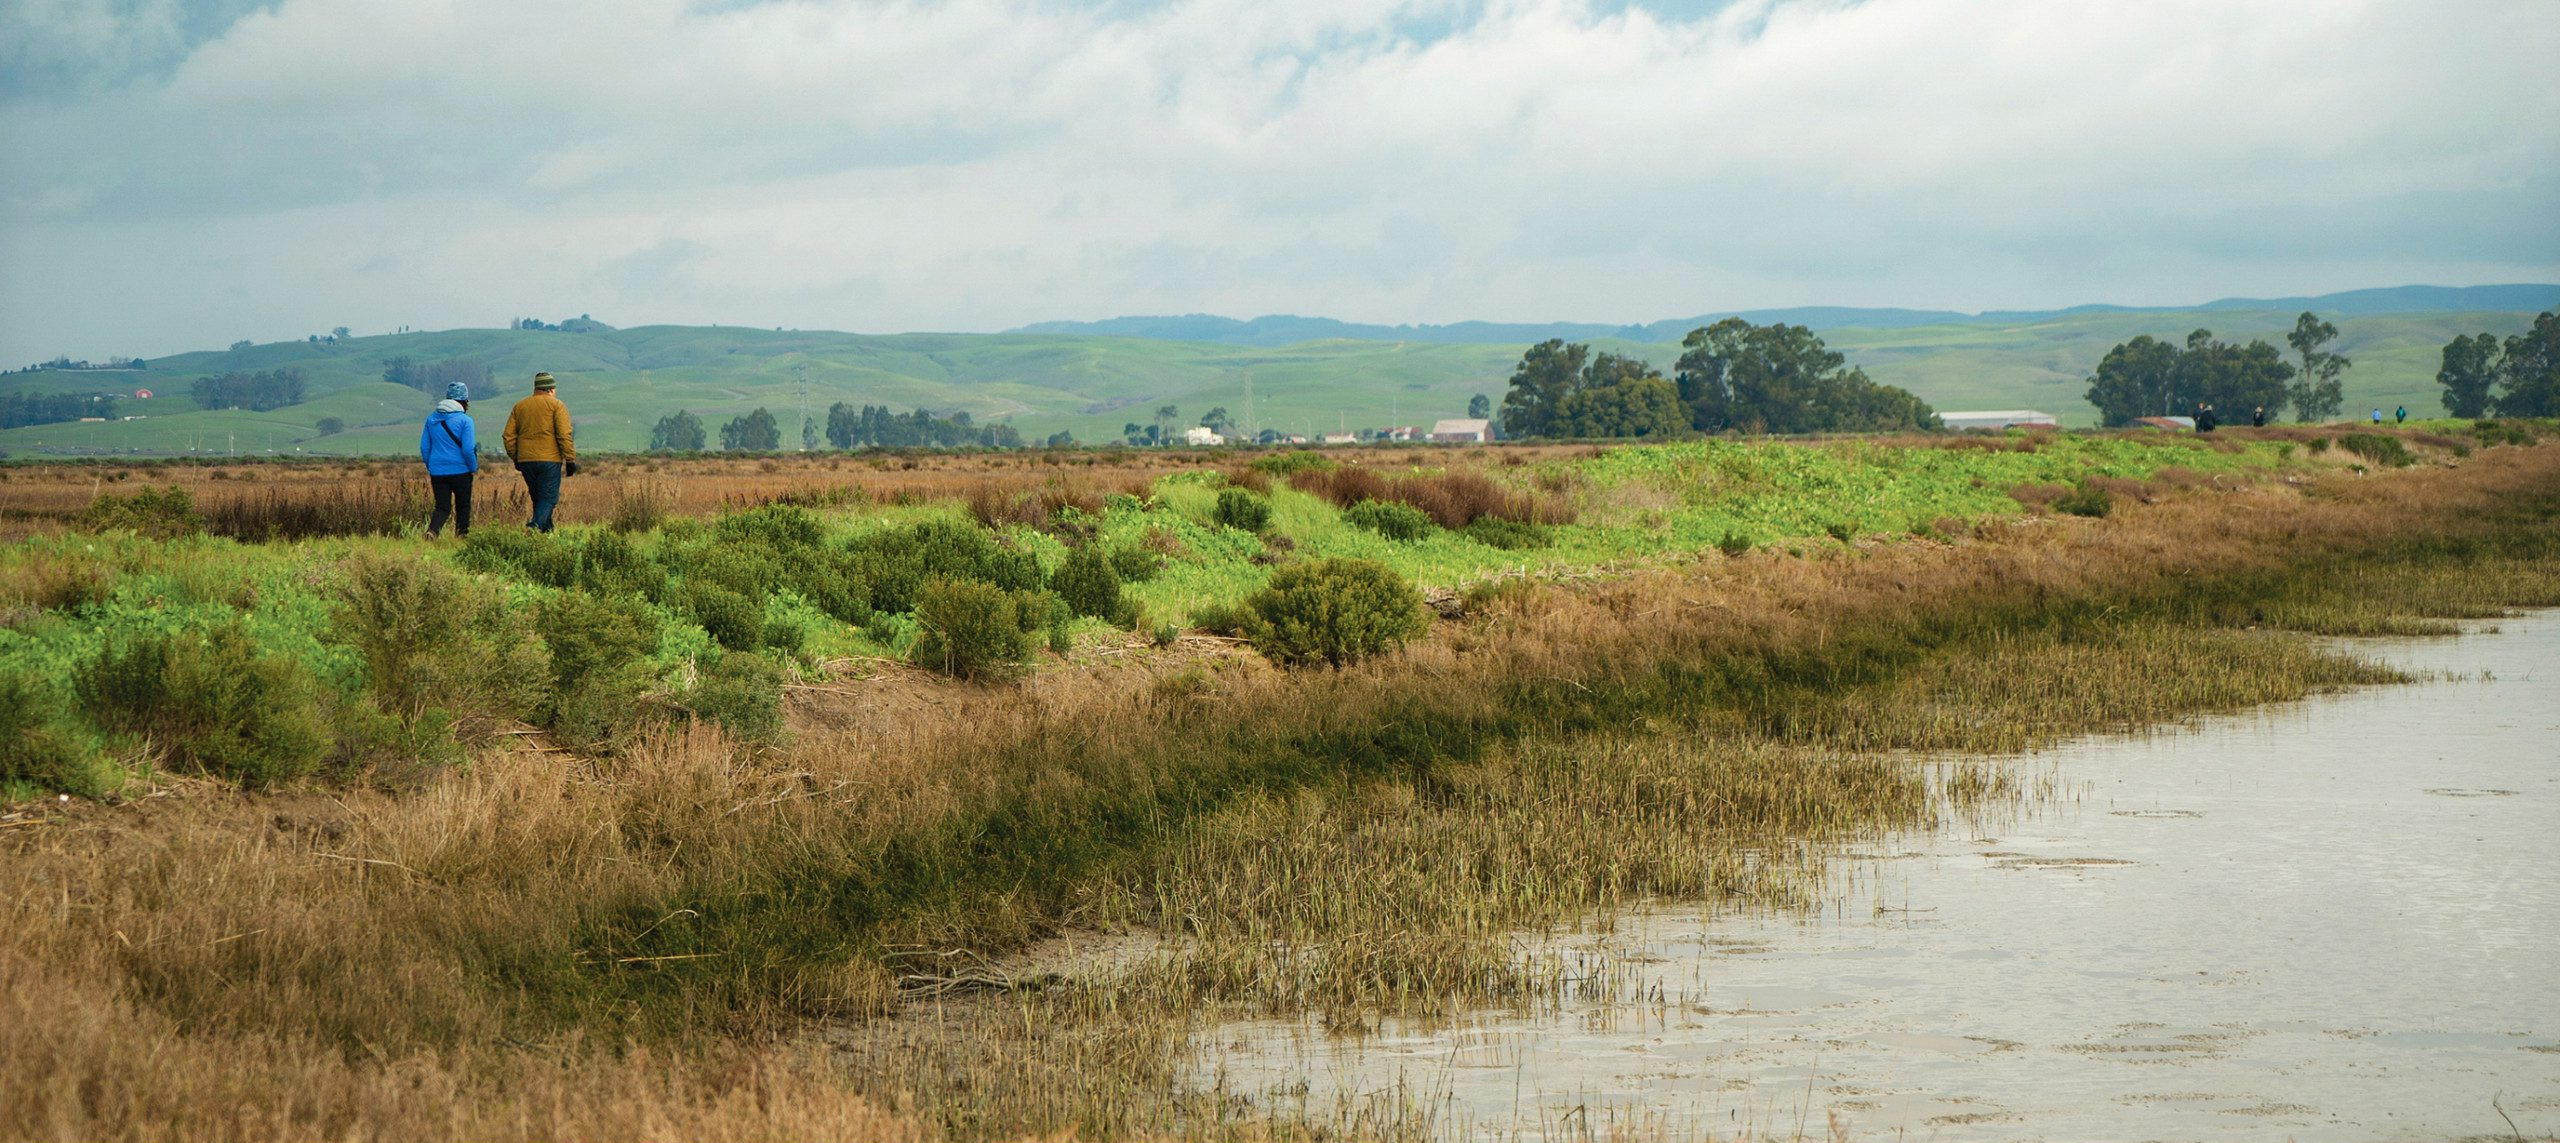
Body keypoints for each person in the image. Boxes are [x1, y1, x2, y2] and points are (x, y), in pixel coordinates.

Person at [502, 371, 577, 532]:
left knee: (538, 500)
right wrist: (570, 459)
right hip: (549, 460)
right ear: (550, 389)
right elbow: (564, 434)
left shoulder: (520, 406)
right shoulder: (557, 405)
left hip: (525, 461)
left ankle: (546, 535)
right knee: (549, 499)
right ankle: (533, 528)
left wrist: (516, 457)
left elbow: (508, 436)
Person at [420, 381, 478, 538]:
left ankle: (432, 532)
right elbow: (467, 449)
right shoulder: (466, 421)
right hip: (461, 471)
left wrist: (432, 466)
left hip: (437, 471)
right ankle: (461, 536)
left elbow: (425, 448)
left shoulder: (431, 420)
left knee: (442, 507)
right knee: (463, 506)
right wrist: (473, 467)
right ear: (464, 401)